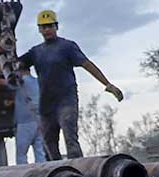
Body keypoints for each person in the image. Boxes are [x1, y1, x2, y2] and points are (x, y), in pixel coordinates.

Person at [17, 9, 124, 160]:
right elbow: (18, 63)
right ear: (39, 29)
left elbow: (87, 64)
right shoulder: (36, 52)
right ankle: (57, 176)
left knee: (70, 138)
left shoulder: (67, 47)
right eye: (43, 27)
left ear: (56, 26)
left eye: (50, 26)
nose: (47, 29)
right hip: (47, 104)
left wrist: (108, 84)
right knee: (49, 144)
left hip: (66, 100)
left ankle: (78, 172)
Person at [12, 66, 47, 164]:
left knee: (21, 154)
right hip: (39, 120)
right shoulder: (37, 81)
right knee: (40, 151)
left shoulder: (20, 83)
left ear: (19, 71)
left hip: (25, 121)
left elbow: (6, 83)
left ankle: (23, 175)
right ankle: (42, 172)